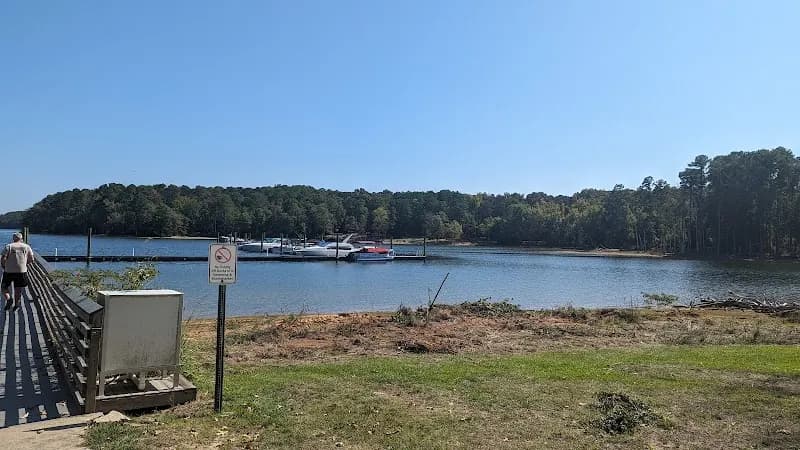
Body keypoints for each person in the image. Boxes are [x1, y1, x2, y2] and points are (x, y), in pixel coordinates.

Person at [1, 232, 34, 311]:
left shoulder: (9, 246)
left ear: (13, 239)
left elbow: (3, 258)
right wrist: (25, 264)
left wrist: (3, 266)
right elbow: (32, 259)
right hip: (21, 271)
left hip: (9, 271)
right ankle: (16, 305)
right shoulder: (27, 246)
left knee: (4, 287)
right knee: (18, 289)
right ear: (21, 239)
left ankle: (9, 298)